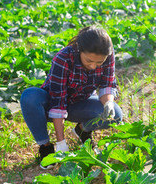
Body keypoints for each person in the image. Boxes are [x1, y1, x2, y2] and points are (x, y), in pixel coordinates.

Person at [20, 26, 123, 169]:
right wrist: (61, 143)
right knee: (29, 96)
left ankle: (82, 131)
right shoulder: (63, 58)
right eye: (89, 61)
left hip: (80, 103)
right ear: (80, 49)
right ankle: (46, 147)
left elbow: (107, 85)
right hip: (50, 104)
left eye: (99, 63)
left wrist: (109, 104)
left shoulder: (107, 55)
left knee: (116, 115)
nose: (93, 66)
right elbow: (58, 102)